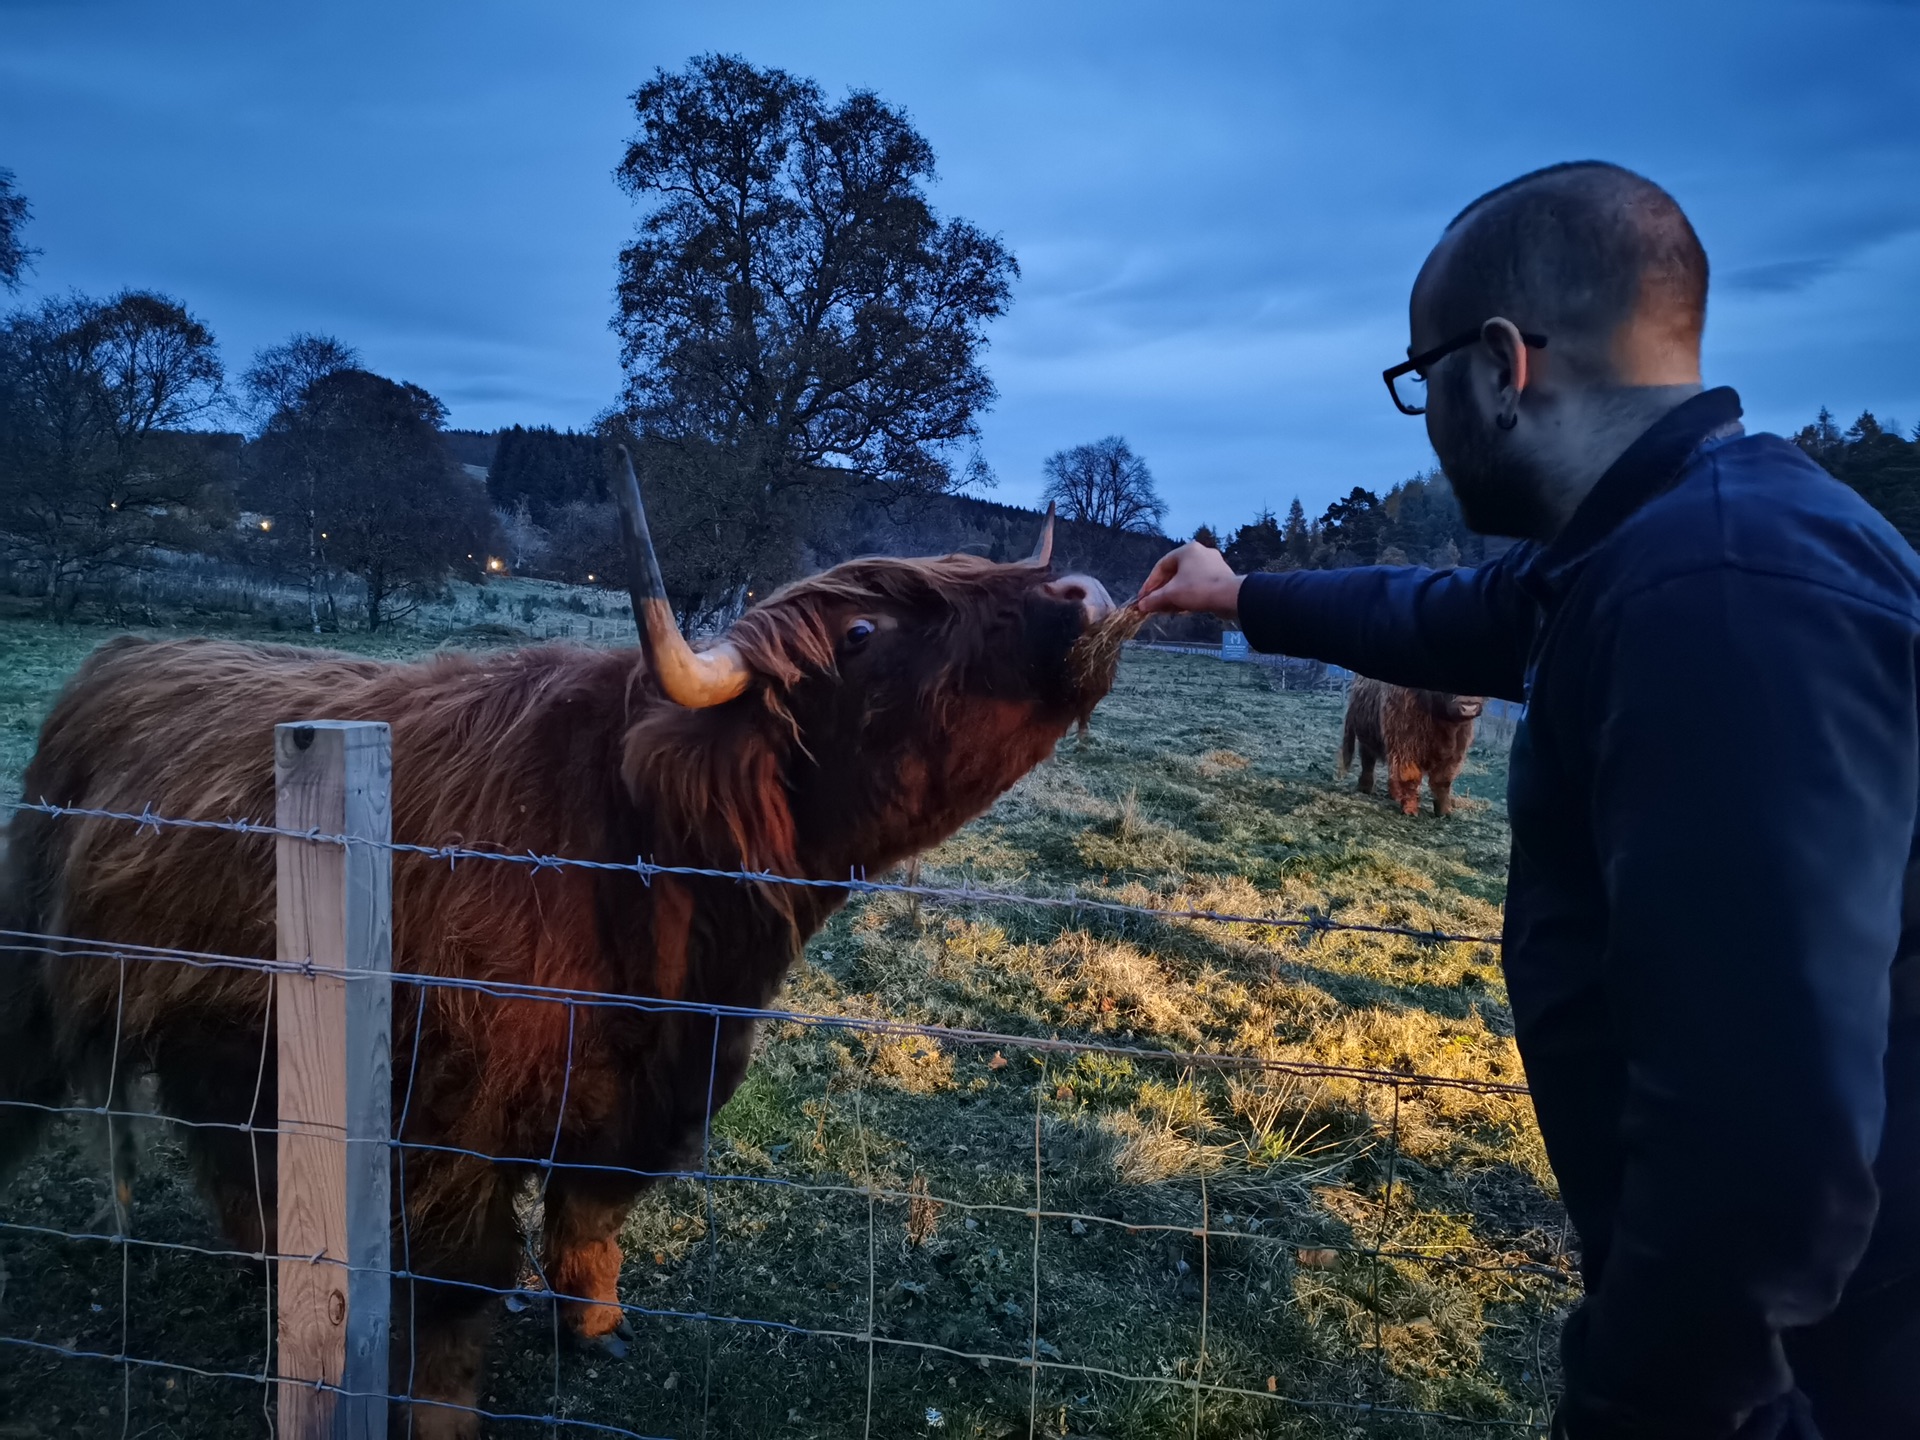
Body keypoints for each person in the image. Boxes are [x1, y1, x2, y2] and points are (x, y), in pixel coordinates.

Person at [1137, 161, 1920, 1439]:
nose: (1424, 417)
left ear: (1501, 364)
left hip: (1814, 1370)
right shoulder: (1660, 544)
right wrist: (1240, 593)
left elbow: (1762, 1142)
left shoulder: (1721, 594)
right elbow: (1443, 613)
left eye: (1419, 379)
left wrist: (1639, 1405)